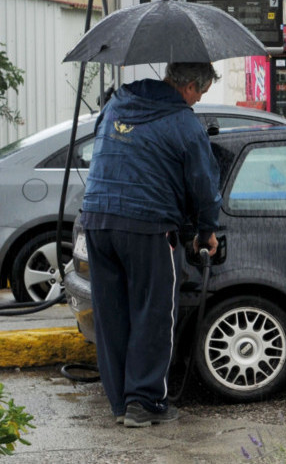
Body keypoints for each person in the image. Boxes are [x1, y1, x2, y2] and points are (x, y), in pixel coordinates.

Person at [80, 62, 222, 428]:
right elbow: (203, 185)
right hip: (147, 224)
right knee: (154, 312)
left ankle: (121, 403)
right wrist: (206, 230)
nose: (197, 101)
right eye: (199, 93)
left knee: (112, 314)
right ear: (189, 86)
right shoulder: (183, 122)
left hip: (96, 220)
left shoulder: (117, 104)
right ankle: (144, 402)